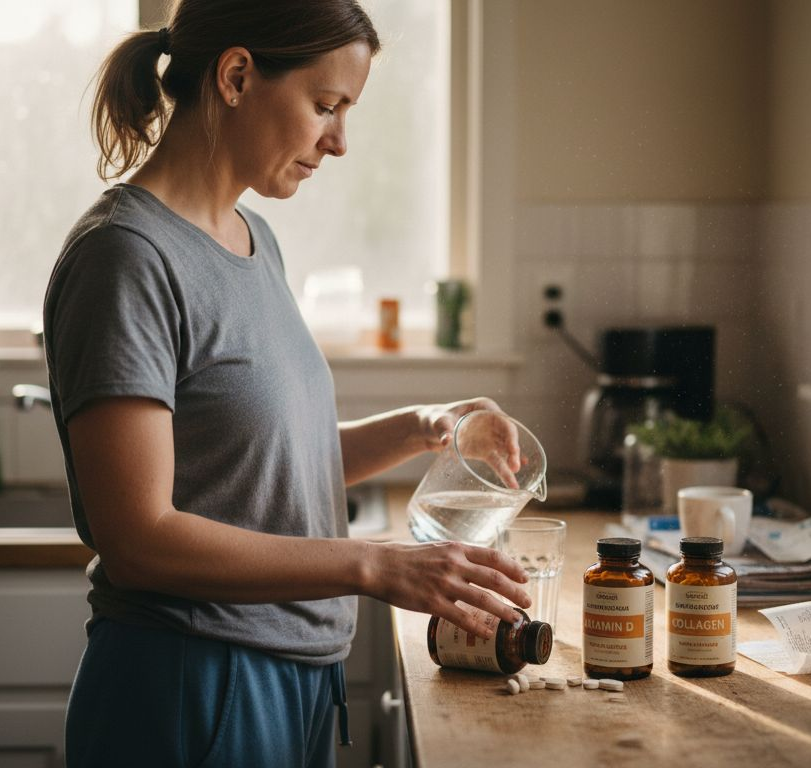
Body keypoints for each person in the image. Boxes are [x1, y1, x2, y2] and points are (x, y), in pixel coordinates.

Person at [43, 1, 531, 765]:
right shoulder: (125, 259)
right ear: (237, 76)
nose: (339, 142)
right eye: (326, 105)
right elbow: (138, 538)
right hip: (191, 683)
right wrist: (375, 563)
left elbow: (266, 466)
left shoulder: (252, 240)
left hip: (294, 677)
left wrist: (424, 425)